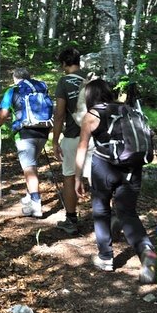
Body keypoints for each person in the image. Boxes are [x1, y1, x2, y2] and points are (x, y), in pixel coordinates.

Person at [75, 78, 157, 284]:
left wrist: (77, 177)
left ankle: (105, 257)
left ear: (89, 96)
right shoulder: (128, 110)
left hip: (104, 168)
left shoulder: (92, 115)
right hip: (133, 168)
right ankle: (146, 251)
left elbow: (82, 147)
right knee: (127, 212)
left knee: (101, 209)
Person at [0, 68, 51, 218]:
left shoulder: (12, 91)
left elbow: (3, 114)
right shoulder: (41, 87)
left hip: (24, 132)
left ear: (15, 78)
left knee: (29, 167)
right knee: (32, 165)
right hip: (44, 130)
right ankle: (29, 195)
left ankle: (36, 204)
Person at [51, 46, 90, 234]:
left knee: (69, 176)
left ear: (64, 63)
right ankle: (106, 218)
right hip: (96, 137)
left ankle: (71, 220)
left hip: (74, 135)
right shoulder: (92, 79)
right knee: (99, 179)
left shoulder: (64, 82)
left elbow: (59, 114)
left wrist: (55, 141)